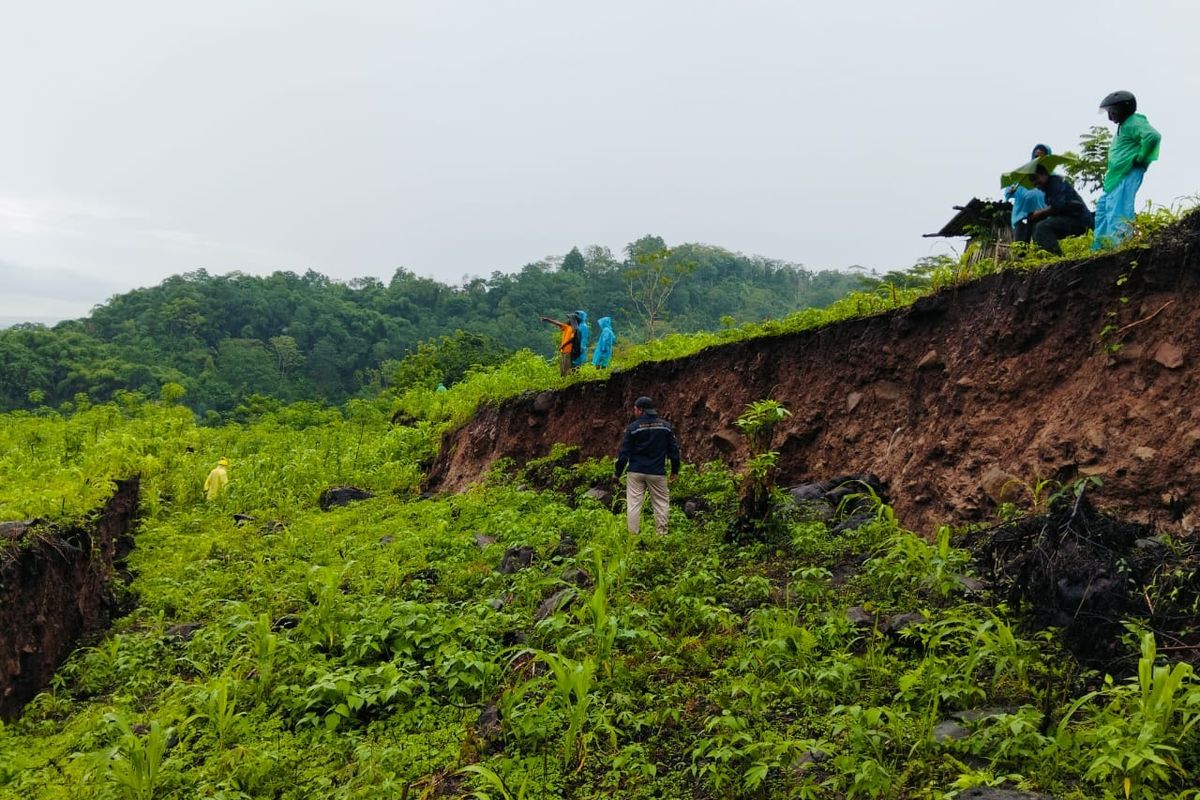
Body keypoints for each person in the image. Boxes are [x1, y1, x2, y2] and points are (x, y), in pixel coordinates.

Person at [1092, 90, 1161, 250]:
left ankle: (1122, 248)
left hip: (1127, 173)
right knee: (1103, 211)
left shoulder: (1133, 122)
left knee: (1119, 210)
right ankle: (1102, 249)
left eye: (1112, 111)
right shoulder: (1124, 126)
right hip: (1115, 178)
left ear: (1124, 109)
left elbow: (1152, 136)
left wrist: (1141, 157)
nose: (1110, 116)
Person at [614, 396, 681, 536]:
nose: (634, 412)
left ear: (640, 410)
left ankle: (633, 535)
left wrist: (617, 472)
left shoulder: (633, 428)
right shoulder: (665, 427)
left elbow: (624, 453)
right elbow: (674, 451)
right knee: (661, 503)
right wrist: (674, 470)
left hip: (636, 472)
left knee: (634, 504)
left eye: (635, 409)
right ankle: (661, 534)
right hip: (657, 472)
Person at [1027, 165, 1092, 256]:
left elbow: (1058, 205)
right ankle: (1044, 258)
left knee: (1042, 228)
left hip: (1079, 220)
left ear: (1044, 174)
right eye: (1033, 182)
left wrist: (1039, 212)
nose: (1036, 184)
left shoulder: (1056, 183)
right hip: (1069, 219)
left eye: (1036, 179)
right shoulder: (1048, 190)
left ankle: (1057, 258)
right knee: (1036, 231)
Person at [1003, 144, 1050, 243]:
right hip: (1022, 216)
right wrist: (1011, 190)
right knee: (1021, 247)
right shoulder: (1024, 173)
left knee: (1041, 244)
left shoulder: (1050, 176)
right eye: (1036, 156)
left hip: (1041, 214)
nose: (1038, 159)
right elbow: (1009, 191)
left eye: (1041, 156)